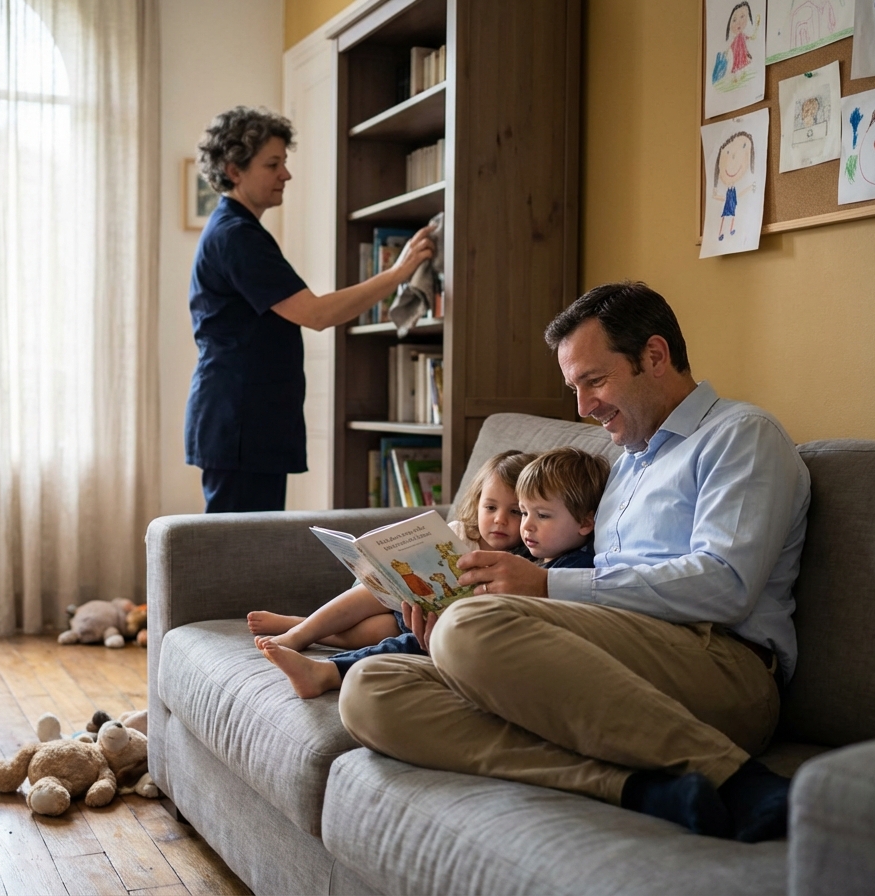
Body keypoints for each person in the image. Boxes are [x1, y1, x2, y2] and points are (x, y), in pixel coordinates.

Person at [338, 281, 811, 844]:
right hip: (607, 662)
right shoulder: (626, 464)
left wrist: (543, 587)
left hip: (723, 669)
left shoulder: (740, 436)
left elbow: (726, 585)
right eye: (574, 387)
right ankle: (638, 787)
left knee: (469, 629)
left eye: (595, 380)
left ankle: (736, 779)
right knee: (371, 690)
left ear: (654, 356)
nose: (584, 408)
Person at [184, 106, 434, 512]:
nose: (286, 174)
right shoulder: (237, 236)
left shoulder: (239, 230)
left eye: (283, 162)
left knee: (246, 551)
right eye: (273, 164)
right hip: (240, 422)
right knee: (238, 557)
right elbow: (316, 314)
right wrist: (398, 273)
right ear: (234, 170)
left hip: (245, 419)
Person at [248, 450, 538, 698]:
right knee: (368, 596)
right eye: (490, 507)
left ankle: (302, 625)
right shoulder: (460, 534)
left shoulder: (521, 562)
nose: (500, 519)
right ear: (476, 503)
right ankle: (300, 633)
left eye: (515, 512)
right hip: (401, 599)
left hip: (423, 625)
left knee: (381, 631)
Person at [516, 447, 608, 571]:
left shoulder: (576, 569)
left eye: (542, 515)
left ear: (585, 523)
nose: (526, 526)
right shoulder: (526, 552)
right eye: (524, 513)